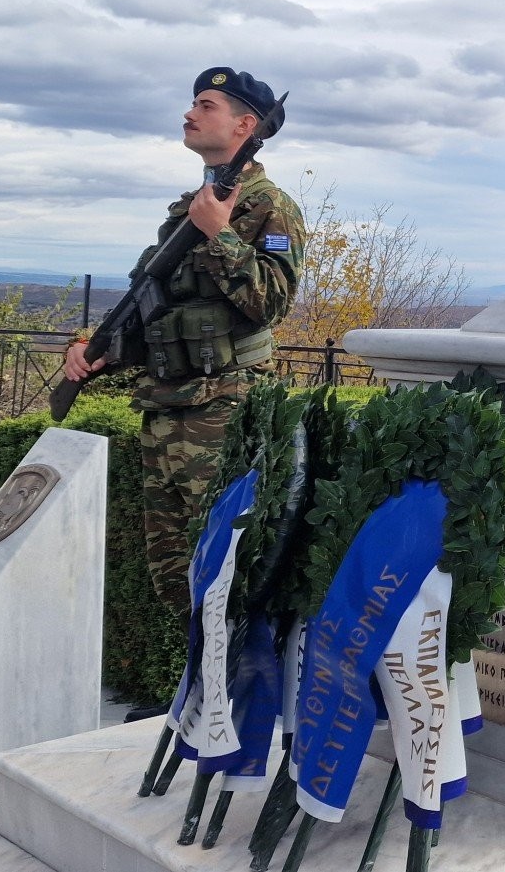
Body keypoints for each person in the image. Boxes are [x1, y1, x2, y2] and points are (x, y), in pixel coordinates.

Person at [62, 67, 305, 614]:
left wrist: (220, 234)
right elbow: (150, 304)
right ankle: (196, 696)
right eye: (192, 103)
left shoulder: (269, 207)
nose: (189, 114)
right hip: (164, 410)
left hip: (223, 409)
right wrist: (92, 350)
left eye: (205, 105)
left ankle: (238, 699)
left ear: (247, 124)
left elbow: (271, 304)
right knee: (177, 582)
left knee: (230, 575)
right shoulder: (186, 208)